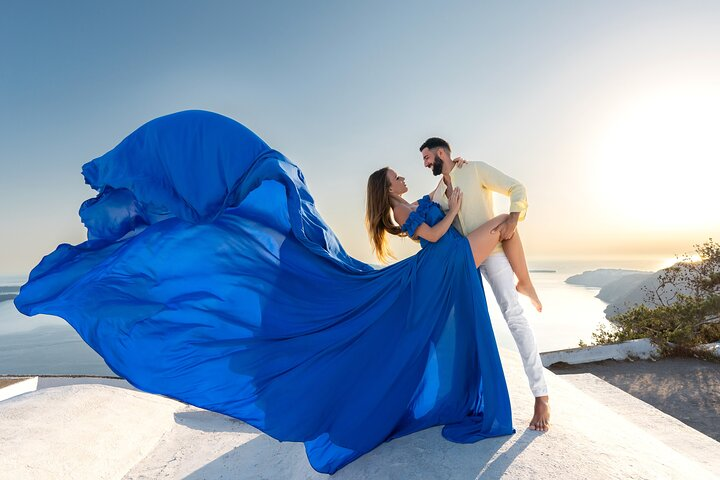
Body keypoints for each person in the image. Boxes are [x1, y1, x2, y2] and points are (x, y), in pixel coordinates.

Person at [13, 110, 514, 475]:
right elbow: (433, 233)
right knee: (494, 241)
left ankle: (497, 351)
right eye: (397, 175)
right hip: (436, 264)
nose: (405, 173)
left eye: (406, 170)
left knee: (447, 312)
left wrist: (451, 179)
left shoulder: (412, 200)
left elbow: (440, 198)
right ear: (387, 189)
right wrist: (456, 207)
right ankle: (505, 354)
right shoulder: (405, 211)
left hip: (439, 265)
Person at [419, 137, 550, 431]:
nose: (426, 163)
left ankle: (541, 396)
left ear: (442, 153)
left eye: (428, 157)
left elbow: (516, 187)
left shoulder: (474, 169)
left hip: (493, 253)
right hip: (466, 264)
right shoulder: (438, 192)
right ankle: (460, 398)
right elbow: (416, 211)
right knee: (460, 327)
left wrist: (514, 217)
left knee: (513, 316)